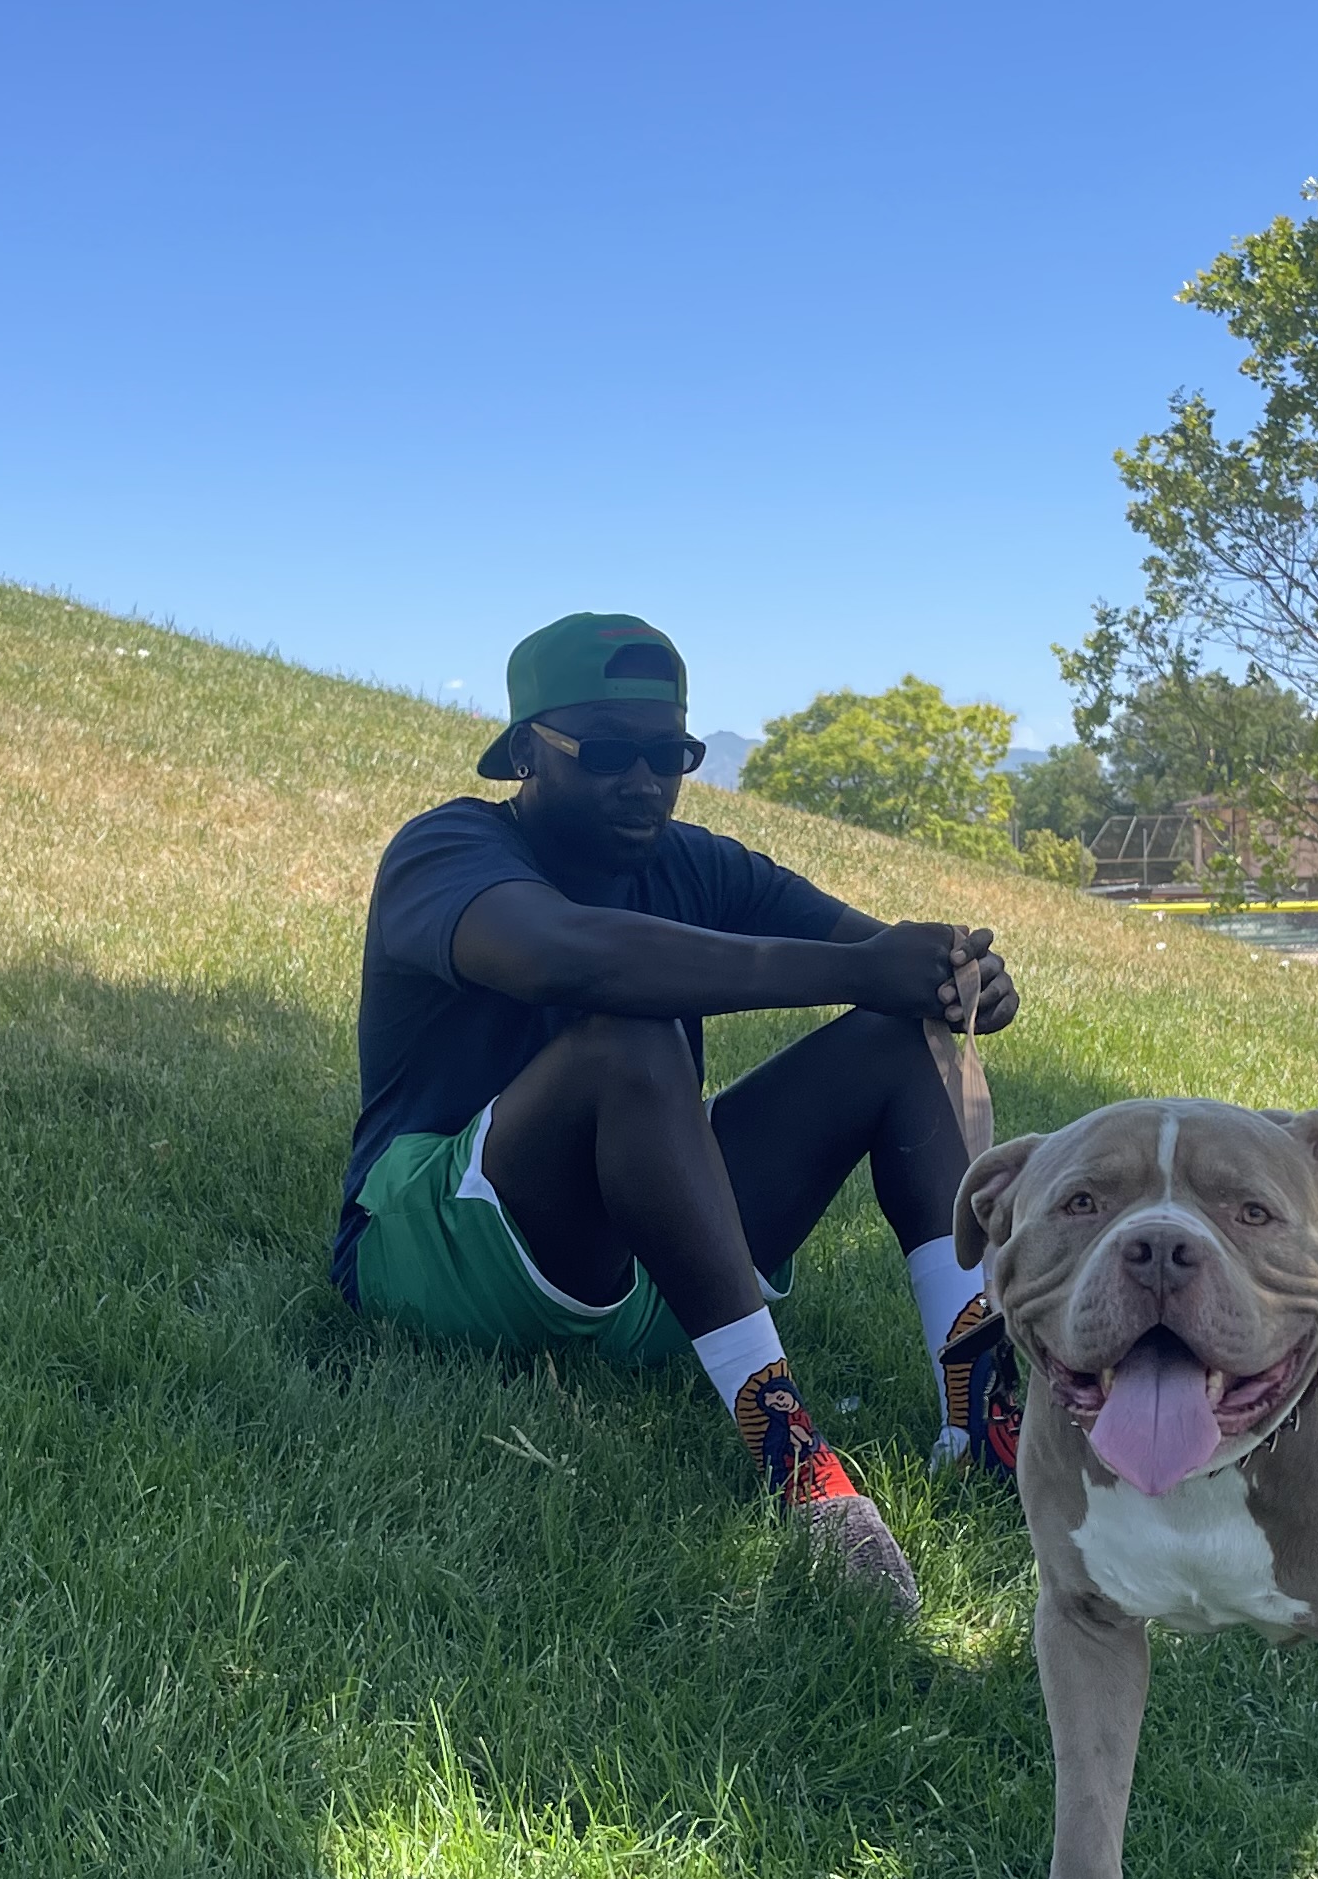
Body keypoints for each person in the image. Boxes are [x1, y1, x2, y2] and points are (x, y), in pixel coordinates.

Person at [335, 611, 1024, 1605]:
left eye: (671, 753)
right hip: (436, 1255)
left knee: (889, 1034)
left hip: (658, 1260)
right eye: (608, 752)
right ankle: (796, 1463)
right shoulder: (446, 849)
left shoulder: (694, 862)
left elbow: (885, 968)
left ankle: (985, 1420)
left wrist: (952, 985)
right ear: (526, 750)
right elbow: (566, 954)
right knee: (630, 1033)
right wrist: (860, 967)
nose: (645, 781)